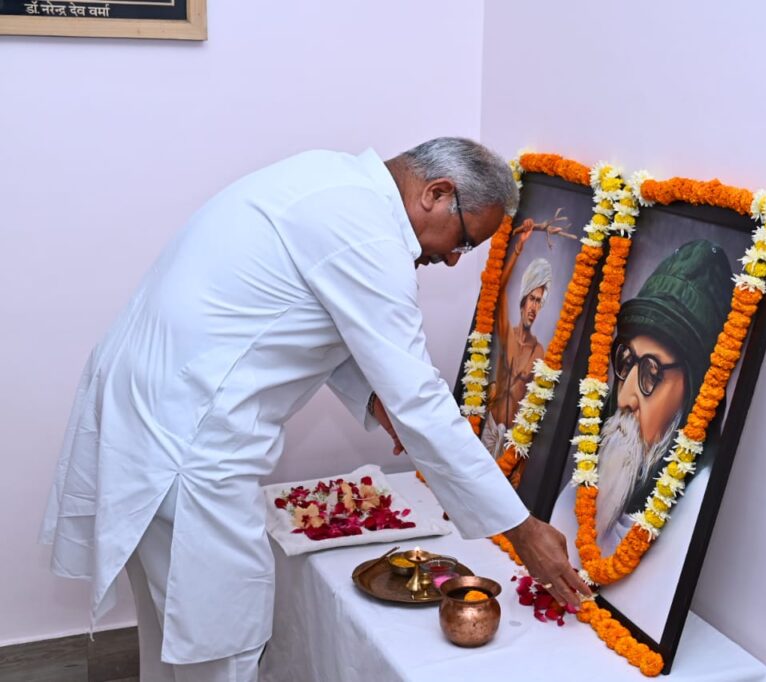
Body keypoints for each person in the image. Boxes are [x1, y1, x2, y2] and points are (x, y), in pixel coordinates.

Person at [40, 137, 590, 681]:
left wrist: (373, 397)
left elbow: (303, 319)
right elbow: (421, 400)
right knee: (221, 642)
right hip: (186, 441)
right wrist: (521, 530)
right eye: (465, 241)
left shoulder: (330, 180)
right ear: (437, 193)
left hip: (152, 413)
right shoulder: (367, 234)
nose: (450, 259)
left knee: (173, 637)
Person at [589, 239, 733, 552]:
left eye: (652, 374)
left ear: (693, 394)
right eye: (627, 361)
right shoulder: (583, 487)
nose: (625, 398)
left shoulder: (693, 513)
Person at [480, 223, 553, 459]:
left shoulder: (538, 351)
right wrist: (518, 248)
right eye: (532, 299)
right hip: (490, 427)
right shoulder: (507, 333)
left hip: (513, 438)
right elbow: (498, 290)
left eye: (539, 301)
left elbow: (536, 405)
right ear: (523, 300)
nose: (534, 307)